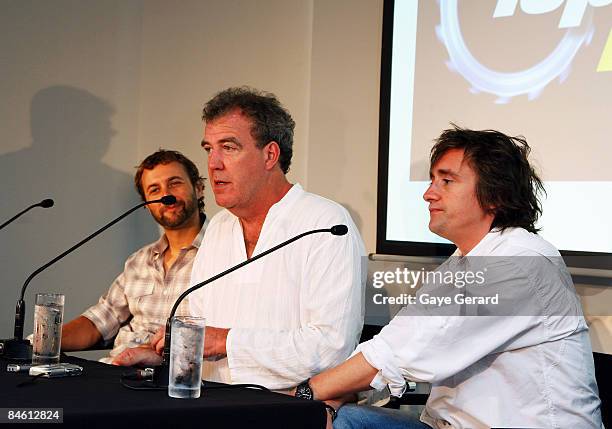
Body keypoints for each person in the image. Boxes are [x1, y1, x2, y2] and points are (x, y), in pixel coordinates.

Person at [293, 125, 602, 428]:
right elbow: (391, 342)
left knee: (307, 416)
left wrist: (304, 396)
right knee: (333, 418)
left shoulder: (521, 264)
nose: (429, 194)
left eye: (447, 181)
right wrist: (328, 399)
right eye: (432, 180)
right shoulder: (459, 262)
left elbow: (403, 350)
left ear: (495, 195)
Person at [115, 87, 366, 395]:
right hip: (207, 401)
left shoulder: (326, 224)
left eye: (229, 147)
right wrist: (163, 356)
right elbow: (199, 332)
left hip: (283, 409)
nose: (214, 163)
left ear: (270, 155)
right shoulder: (219, 228)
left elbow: (331, 348)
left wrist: (225, 341)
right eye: (209, 149)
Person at [61, 149, 207, 363]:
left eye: (175, 183)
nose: (166, 195)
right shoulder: (139, 261)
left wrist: (154, 354)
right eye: (154, 189)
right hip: (117, 369)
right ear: (146, 204)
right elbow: (100, 319)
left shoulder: (224, 254)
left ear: (199, 188)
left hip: (175, 379)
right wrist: (42, 341)